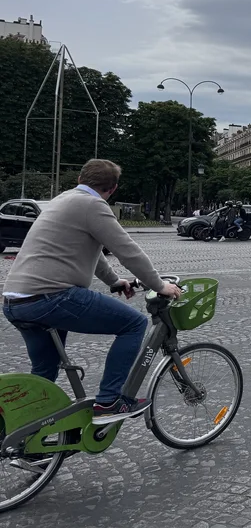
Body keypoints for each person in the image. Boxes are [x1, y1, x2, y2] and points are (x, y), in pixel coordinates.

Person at [2, 159, 183, 424]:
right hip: (52, 296)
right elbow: (128, 251)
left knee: (44, 371)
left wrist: (114, 281)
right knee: (133, 323)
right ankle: (109, 402)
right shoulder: (93, 205)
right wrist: (160, 286)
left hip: (16, 301)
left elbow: (91, 250)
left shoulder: (63, 199)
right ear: (113, 189)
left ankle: (25, 436)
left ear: (80, 179)